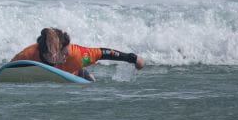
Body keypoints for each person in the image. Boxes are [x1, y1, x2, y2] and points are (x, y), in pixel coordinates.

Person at [11, 27, 145, 81]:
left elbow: (103, 53)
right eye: (63, 53)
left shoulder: (75, 54)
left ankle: (86, 73)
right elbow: (7, 71)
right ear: (50, 53)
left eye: (66, 51)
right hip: (44, 77)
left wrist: (132, 58)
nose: (66, 54)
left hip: (73, 74)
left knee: (89, 80)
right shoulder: (27, 56)